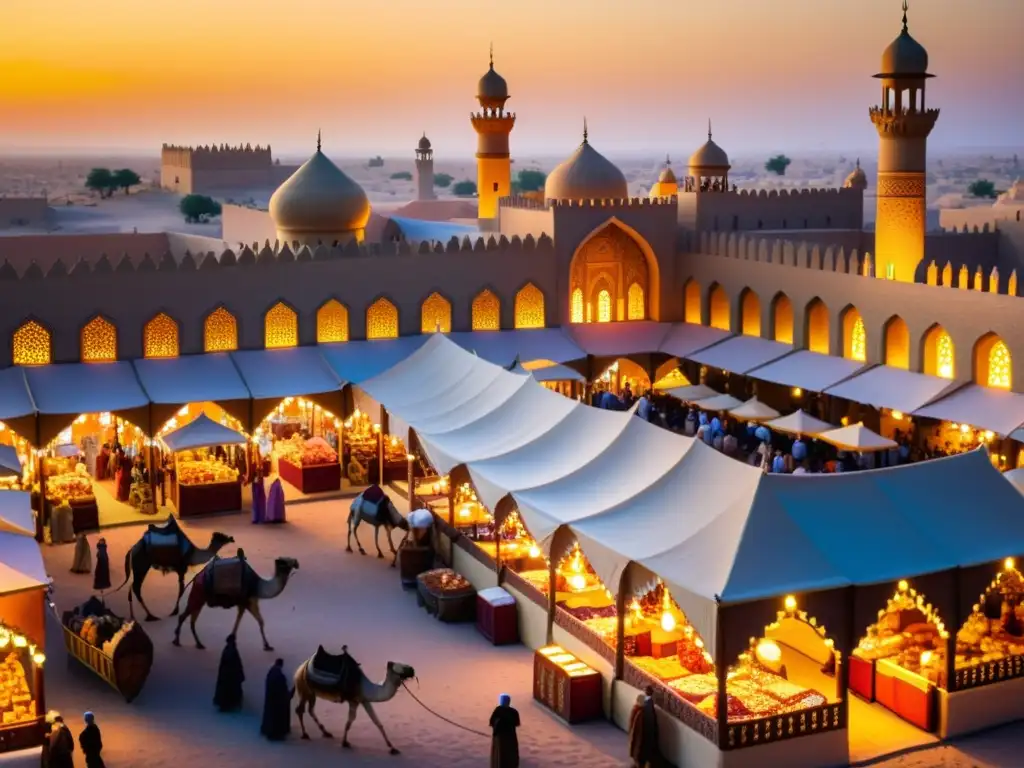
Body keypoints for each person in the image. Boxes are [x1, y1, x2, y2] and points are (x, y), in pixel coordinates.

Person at [628, 686, 661, 768]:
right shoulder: (646, 702)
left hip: (645, 729)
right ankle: (641, 763)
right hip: (643, 728)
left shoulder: (645, 701)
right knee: (643, 747)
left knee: (643, 747)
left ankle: (641, 763)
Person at [260, 658, 291, 741]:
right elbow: (282, 689)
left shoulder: (271, 672)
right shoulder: (280, 676)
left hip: (271, 699)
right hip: (278, 700)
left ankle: (270, 731)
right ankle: (276, 733)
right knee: (277, 717)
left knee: (271, 715)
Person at [213, 634, 245, 712]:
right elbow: (236, 662)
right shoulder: (232, 650)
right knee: (230, 689)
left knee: (227, 689)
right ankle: (230, 703)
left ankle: (227, 703)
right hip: (230, 675)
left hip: (227, 674)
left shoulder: (227, 650)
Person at [489, 693, 520, 768]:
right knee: (508, 753)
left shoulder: (498, 710)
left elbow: (492, 721)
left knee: (501, 753)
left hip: (501, 737)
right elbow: (517, 723)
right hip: (510, 737)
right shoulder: (513, 711)